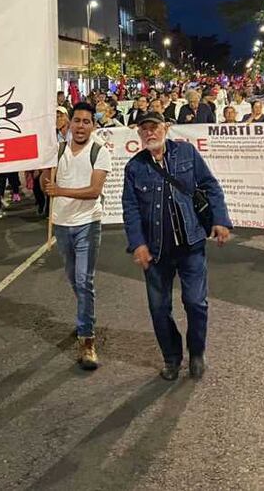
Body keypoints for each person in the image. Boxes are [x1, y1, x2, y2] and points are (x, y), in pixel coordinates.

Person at [122, 111, 232, 381]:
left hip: (191, 245)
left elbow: (210, 186)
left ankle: (196, 352)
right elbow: (131, 209)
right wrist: (138, 244)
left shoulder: (186, 153)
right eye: (144, 129)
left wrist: (220, 220)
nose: (150, 133)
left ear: (166, 128)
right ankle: (172, 358)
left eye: (154, 127)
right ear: (139, 134)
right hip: (156, 252)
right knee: (159, 309)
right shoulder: (134, 167)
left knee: (196, 302)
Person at [43, 102, 111, 371]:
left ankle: (87, 338)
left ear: (93, 125)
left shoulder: (99, 152)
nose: (81, 126)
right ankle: (85, 315)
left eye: (86, 122)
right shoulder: (56, 151)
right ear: (69, 124)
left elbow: (94, 190)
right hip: (61, 224)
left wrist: (59, 191)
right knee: (73, 279)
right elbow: (46, 184)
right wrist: (44, 179)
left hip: (87, 224)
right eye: (77, 121)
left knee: (84, 280)